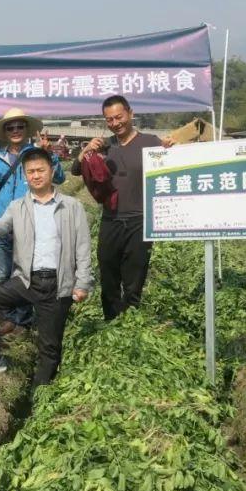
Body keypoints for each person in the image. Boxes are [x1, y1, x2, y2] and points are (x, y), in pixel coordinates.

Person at [0, 148, 92, 382]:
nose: (36, 175)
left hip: (57, 285)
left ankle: (41, 391)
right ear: (25, 176)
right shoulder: (18, 206)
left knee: (49, 347)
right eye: (31, 172)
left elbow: (83, 247)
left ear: (52, 171)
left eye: (40, 170)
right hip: (26, 280)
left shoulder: (71, 206)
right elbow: (1, 227)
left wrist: (82, 284)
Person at [71, 95, 162, 321]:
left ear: (130, 113)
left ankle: (130, 322)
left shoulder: (150, 142)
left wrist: (170, 147)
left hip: (140, 220)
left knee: (134, 276)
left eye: (119, 117)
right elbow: (75, 170)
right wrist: (86, 150)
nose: (115, 123)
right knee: (108, 273)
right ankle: (111, 321)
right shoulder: (105, 146)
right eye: (109, 119)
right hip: (111, 219)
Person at [0, 108, 65, 334]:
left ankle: (22, 319)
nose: (15, 131)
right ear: (5, 132)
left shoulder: (36, 154)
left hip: (30, 223)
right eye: (10, 127)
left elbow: (60, 178)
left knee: (25, 274)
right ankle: (8, 317)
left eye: (19, 127)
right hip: (2, 223)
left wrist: (50, 155)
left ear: (26, 130)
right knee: (3, 273)